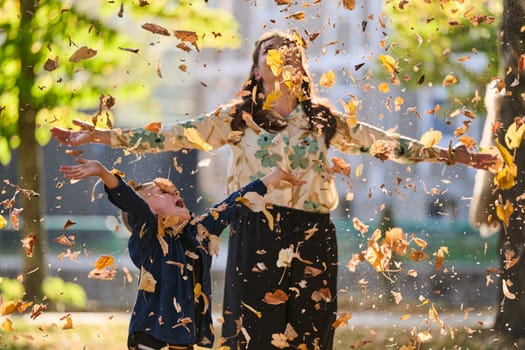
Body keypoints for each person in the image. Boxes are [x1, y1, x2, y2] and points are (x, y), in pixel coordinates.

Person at [52, 30, 499, 349]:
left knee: (311, 330)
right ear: (258, 68)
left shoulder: (323, 118)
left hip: (314, 232)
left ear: (300, 67)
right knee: (255, 333)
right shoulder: (237, 117)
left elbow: (382, 142)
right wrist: (101, 137)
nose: (283, 58)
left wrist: (452, 156)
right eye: (273, 52)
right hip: (256, 229)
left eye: (292, 53)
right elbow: (173, 133)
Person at [59, 157, 305, 350]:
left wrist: (273, 177)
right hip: (149, 327)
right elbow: (132, 203)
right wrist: (104, 173)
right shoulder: (148, 236)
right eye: (162, 192)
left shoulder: (197, 232)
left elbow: (231, 205)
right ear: (148, 210)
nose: (175, 194)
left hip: (184, 327)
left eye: (175, 191)